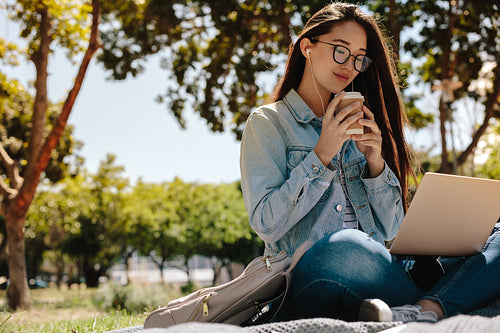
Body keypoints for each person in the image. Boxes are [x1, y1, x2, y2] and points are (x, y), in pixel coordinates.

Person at [239, 2, 500, 324]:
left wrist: (375, 163)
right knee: (345, 244)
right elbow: (266, 222)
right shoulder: (268, 123)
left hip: (386, 274)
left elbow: (391, 231)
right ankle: (449, 300)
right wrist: (322, 154)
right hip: (314, 272)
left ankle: (427, 310)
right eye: (341, 50)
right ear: (307, 46)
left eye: (359, 57)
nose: (350, 65)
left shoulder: (360, 123)